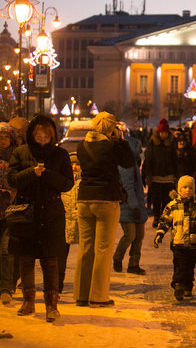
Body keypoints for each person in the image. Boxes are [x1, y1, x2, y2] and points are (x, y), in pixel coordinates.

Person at [7, 115, 74, 322]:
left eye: (46, 136)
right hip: (26, 214)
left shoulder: (60, 155)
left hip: (51, 214)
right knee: (26, 259)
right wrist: (31, 173)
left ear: (52, 135)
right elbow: (11, 179)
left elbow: (67, 183)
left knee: (50, 260)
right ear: (32, 135)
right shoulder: (20, 152)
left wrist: (46, 175)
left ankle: (51, 304)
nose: (42, 139)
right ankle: (28, 301)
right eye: (38, 135)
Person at [73, 112, 135, 308]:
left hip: (84, 199)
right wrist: (121, 140)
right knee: (103, 249)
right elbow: (128, 162)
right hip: (106, 200)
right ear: (110, 128)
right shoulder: (111, 146)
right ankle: (98, 296)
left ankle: (81, 295)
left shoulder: (81, 146)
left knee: (85, 248)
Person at [154, 175, 196, 300]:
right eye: (184, 187)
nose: (187, 190)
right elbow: (165, 221)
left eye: (190, 188)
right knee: (179, 265)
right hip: (178, 242)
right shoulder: (173, 205)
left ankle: (188, 287)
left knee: (190, 267)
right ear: (179, 189)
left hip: (193, 243)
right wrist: (160, 233)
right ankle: (178, 285)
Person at [113, 130, 148, 275]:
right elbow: (128, 186)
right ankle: (117, 257)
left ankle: (134, 264)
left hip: (136, 204)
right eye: (139, 151)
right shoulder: (126, 163)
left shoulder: (133, 162)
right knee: (130, 235)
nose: (140, 154)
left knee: (139, 235)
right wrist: (135, 207)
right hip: (129, 205)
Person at [144, 118, 177, 227]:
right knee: (156, 199)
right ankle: (157, 217)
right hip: (155, 176)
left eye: (166, 133)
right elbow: (148, 159)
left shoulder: (172, 143)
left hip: (168, 175)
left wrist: (175, 175)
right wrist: (147, 175)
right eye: (162, 132)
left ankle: (164, 218)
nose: (164, 135)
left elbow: (174, 158)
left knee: (166, 199)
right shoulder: (153, 143)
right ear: (159, 132)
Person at [0, 122, 17, 304]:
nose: (3, 141)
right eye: (0, 137)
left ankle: (6, 287)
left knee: (6, 250)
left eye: (5, 137)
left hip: (11, 210)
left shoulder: (16, 157)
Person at [58, 153, 81, 293]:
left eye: (77, 164)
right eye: (71, 164)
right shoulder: (62, 182)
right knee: (60, 256)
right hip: (64, 224)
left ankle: (83, 284)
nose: (74, 167)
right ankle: (58, 284)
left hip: (80, 224)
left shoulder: (85, 182)